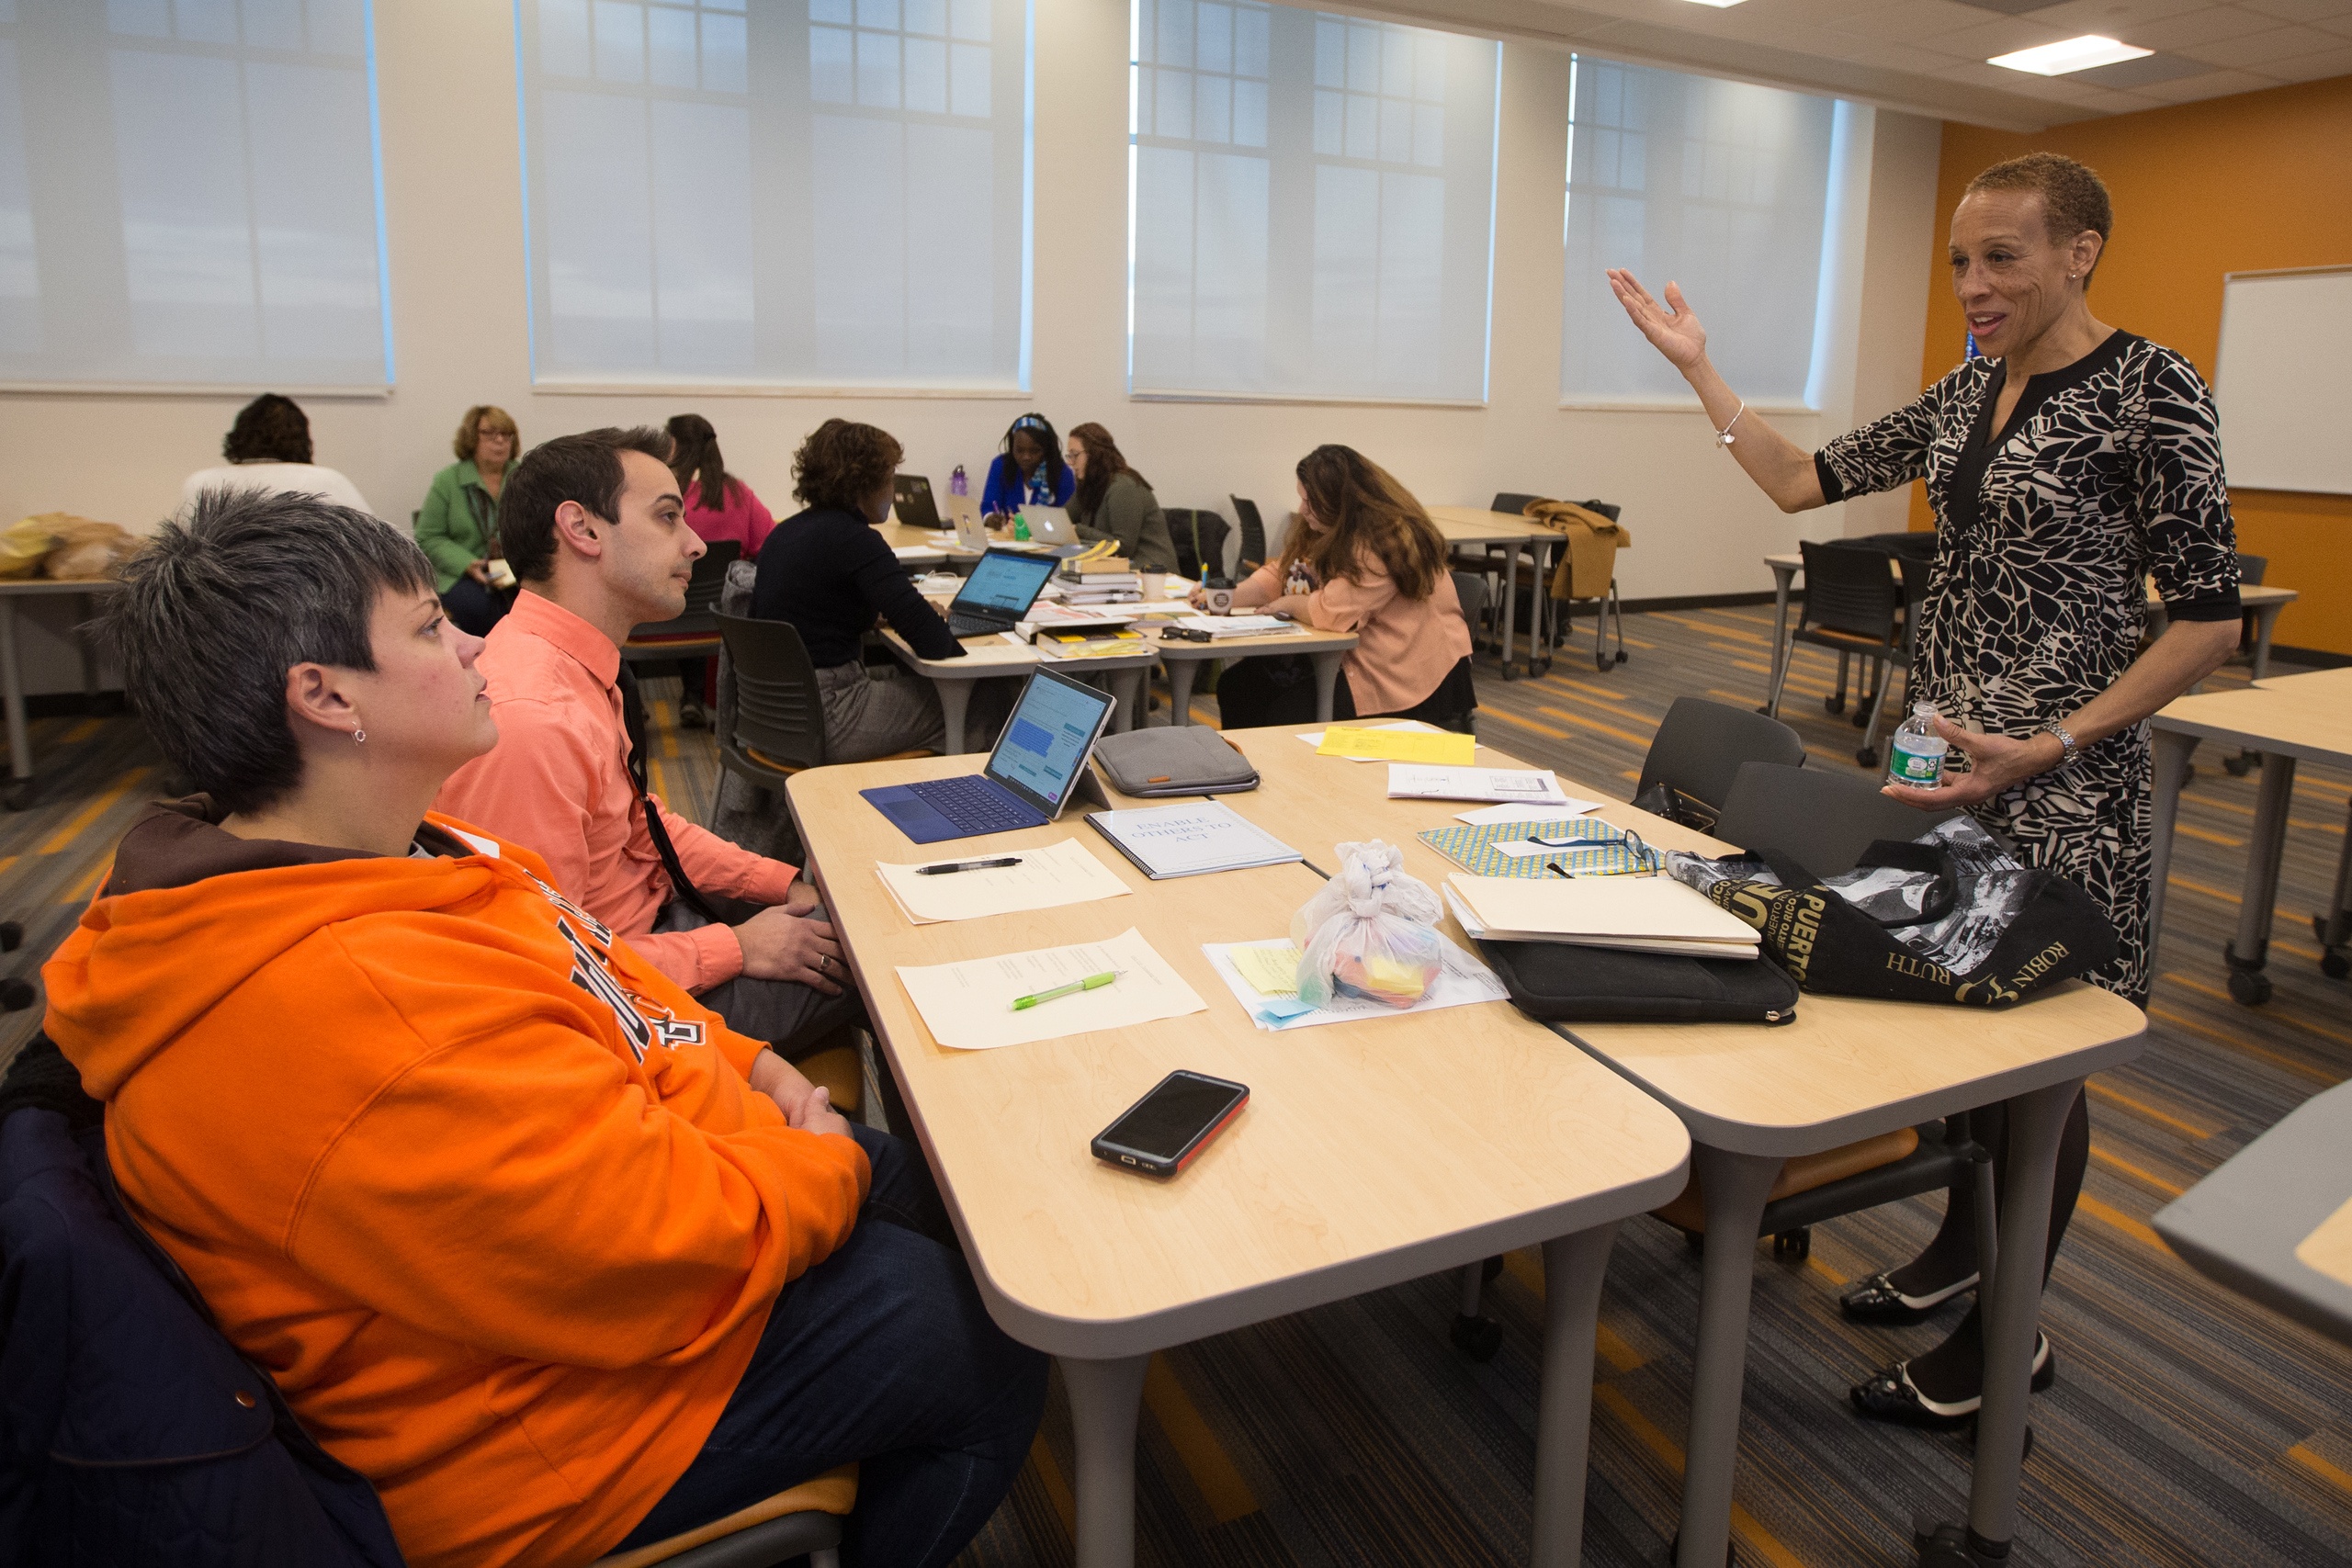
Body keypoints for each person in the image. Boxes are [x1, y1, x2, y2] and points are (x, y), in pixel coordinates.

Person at [45, 486, 1046, 1568]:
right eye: (431, 629)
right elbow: (655, 1250)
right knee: (977, 1335)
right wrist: (818, 1162)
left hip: (644, 1205)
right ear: (327, 697)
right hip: (531, 1431)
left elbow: (614, 983)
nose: (475, 647)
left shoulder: (403, 851)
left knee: (943, 1211)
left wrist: (752, 1064)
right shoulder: (350, 1005)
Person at [1608, 151, 2242, 1427]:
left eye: (2002, 256)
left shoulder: (2151, 388)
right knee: (1964, 1039)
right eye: (1960, 258)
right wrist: (1699, 369)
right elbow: (1801, 479)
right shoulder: (1968, 390)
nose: (1973, 283)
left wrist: (2054, 740)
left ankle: (2007, 1341)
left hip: (2061, 786)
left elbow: (2209, 622)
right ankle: (1963, 1250)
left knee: (2040, 1064)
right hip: (1942, 775)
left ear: (2081, 252)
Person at [435, 428, 862, 1062]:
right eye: (668, 517)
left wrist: (785, 881)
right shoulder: (533, 719)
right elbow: (552, 963)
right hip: (628, 995)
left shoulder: (573, 665)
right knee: (883, 953)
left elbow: (642, 827)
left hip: (649, 936)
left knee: (855, 914)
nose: (695, 543)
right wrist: (737, 946)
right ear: (582, 529)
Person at [752, 419, 994, 762]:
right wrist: (925, 616)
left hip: (771, 713)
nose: (893, 490)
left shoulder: (784, 533)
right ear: (865, 482)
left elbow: (815, 609)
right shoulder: (857, 540)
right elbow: (934, 643)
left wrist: (875, 613)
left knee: (905, 677)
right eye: (891, 477)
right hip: (831, 715)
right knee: (985, 701)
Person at [1203, 445, 1476, 733]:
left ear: (1339, 502)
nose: (1302, 509)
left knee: (1288, 714)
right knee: (1238, 686)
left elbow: (1330, 612)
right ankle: (1250, 774)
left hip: (1410, 674)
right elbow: (1284, 572)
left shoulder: (1384, 541)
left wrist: (1287, 604)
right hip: (1360, 656)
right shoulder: (1331, 525)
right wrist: (1227, 597)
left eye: (1310, 502)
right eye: (1302, 499)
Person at [663, 413, 777, 728]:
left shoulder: (665, 497)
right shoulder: (738, 493)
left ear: (673, 446)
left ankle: (690, 696)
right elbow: (768, 546)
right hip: (729, 619)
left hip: (665, 618)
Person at [180, 392, 374, 518]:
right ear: (303, 439)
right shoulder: (327, 480)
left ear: (239, 436)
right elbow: (376, 543)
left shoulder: (202, 484)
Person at [416, 404, 520, 637]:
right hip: (461, 572)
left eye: (506, 434)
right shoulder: (448, 480)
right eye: (490, 434)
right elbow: (428, 536)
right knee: (480, 607)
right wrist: (468, 564)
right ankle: (488, 665)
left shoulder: (524, 475)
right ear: (472, 438)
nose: (500, 441)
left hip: (515, 569)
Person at [1065, 422, 1177, 573]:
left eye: (1075, 455)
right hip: (1117, 570)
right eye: (1069, 456)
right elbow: (1064, 519)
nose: (1071, 463)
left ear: (1095, 454)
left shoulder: (1124, 486)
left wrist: (1077, 530)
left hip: (1151, 572)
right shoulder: (1089, 485)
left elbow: (1123, 547)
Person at [978, 411, 1073, 519]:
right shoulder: (1001, 465)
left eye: (1035, 451)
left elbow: (1068, 519)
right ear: (1012, 447)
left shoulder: (1062, 473)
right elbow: (988, 507)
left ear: (1046, 449)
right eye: (1019, 450)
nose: (1026, 457)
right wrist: (991, 518)